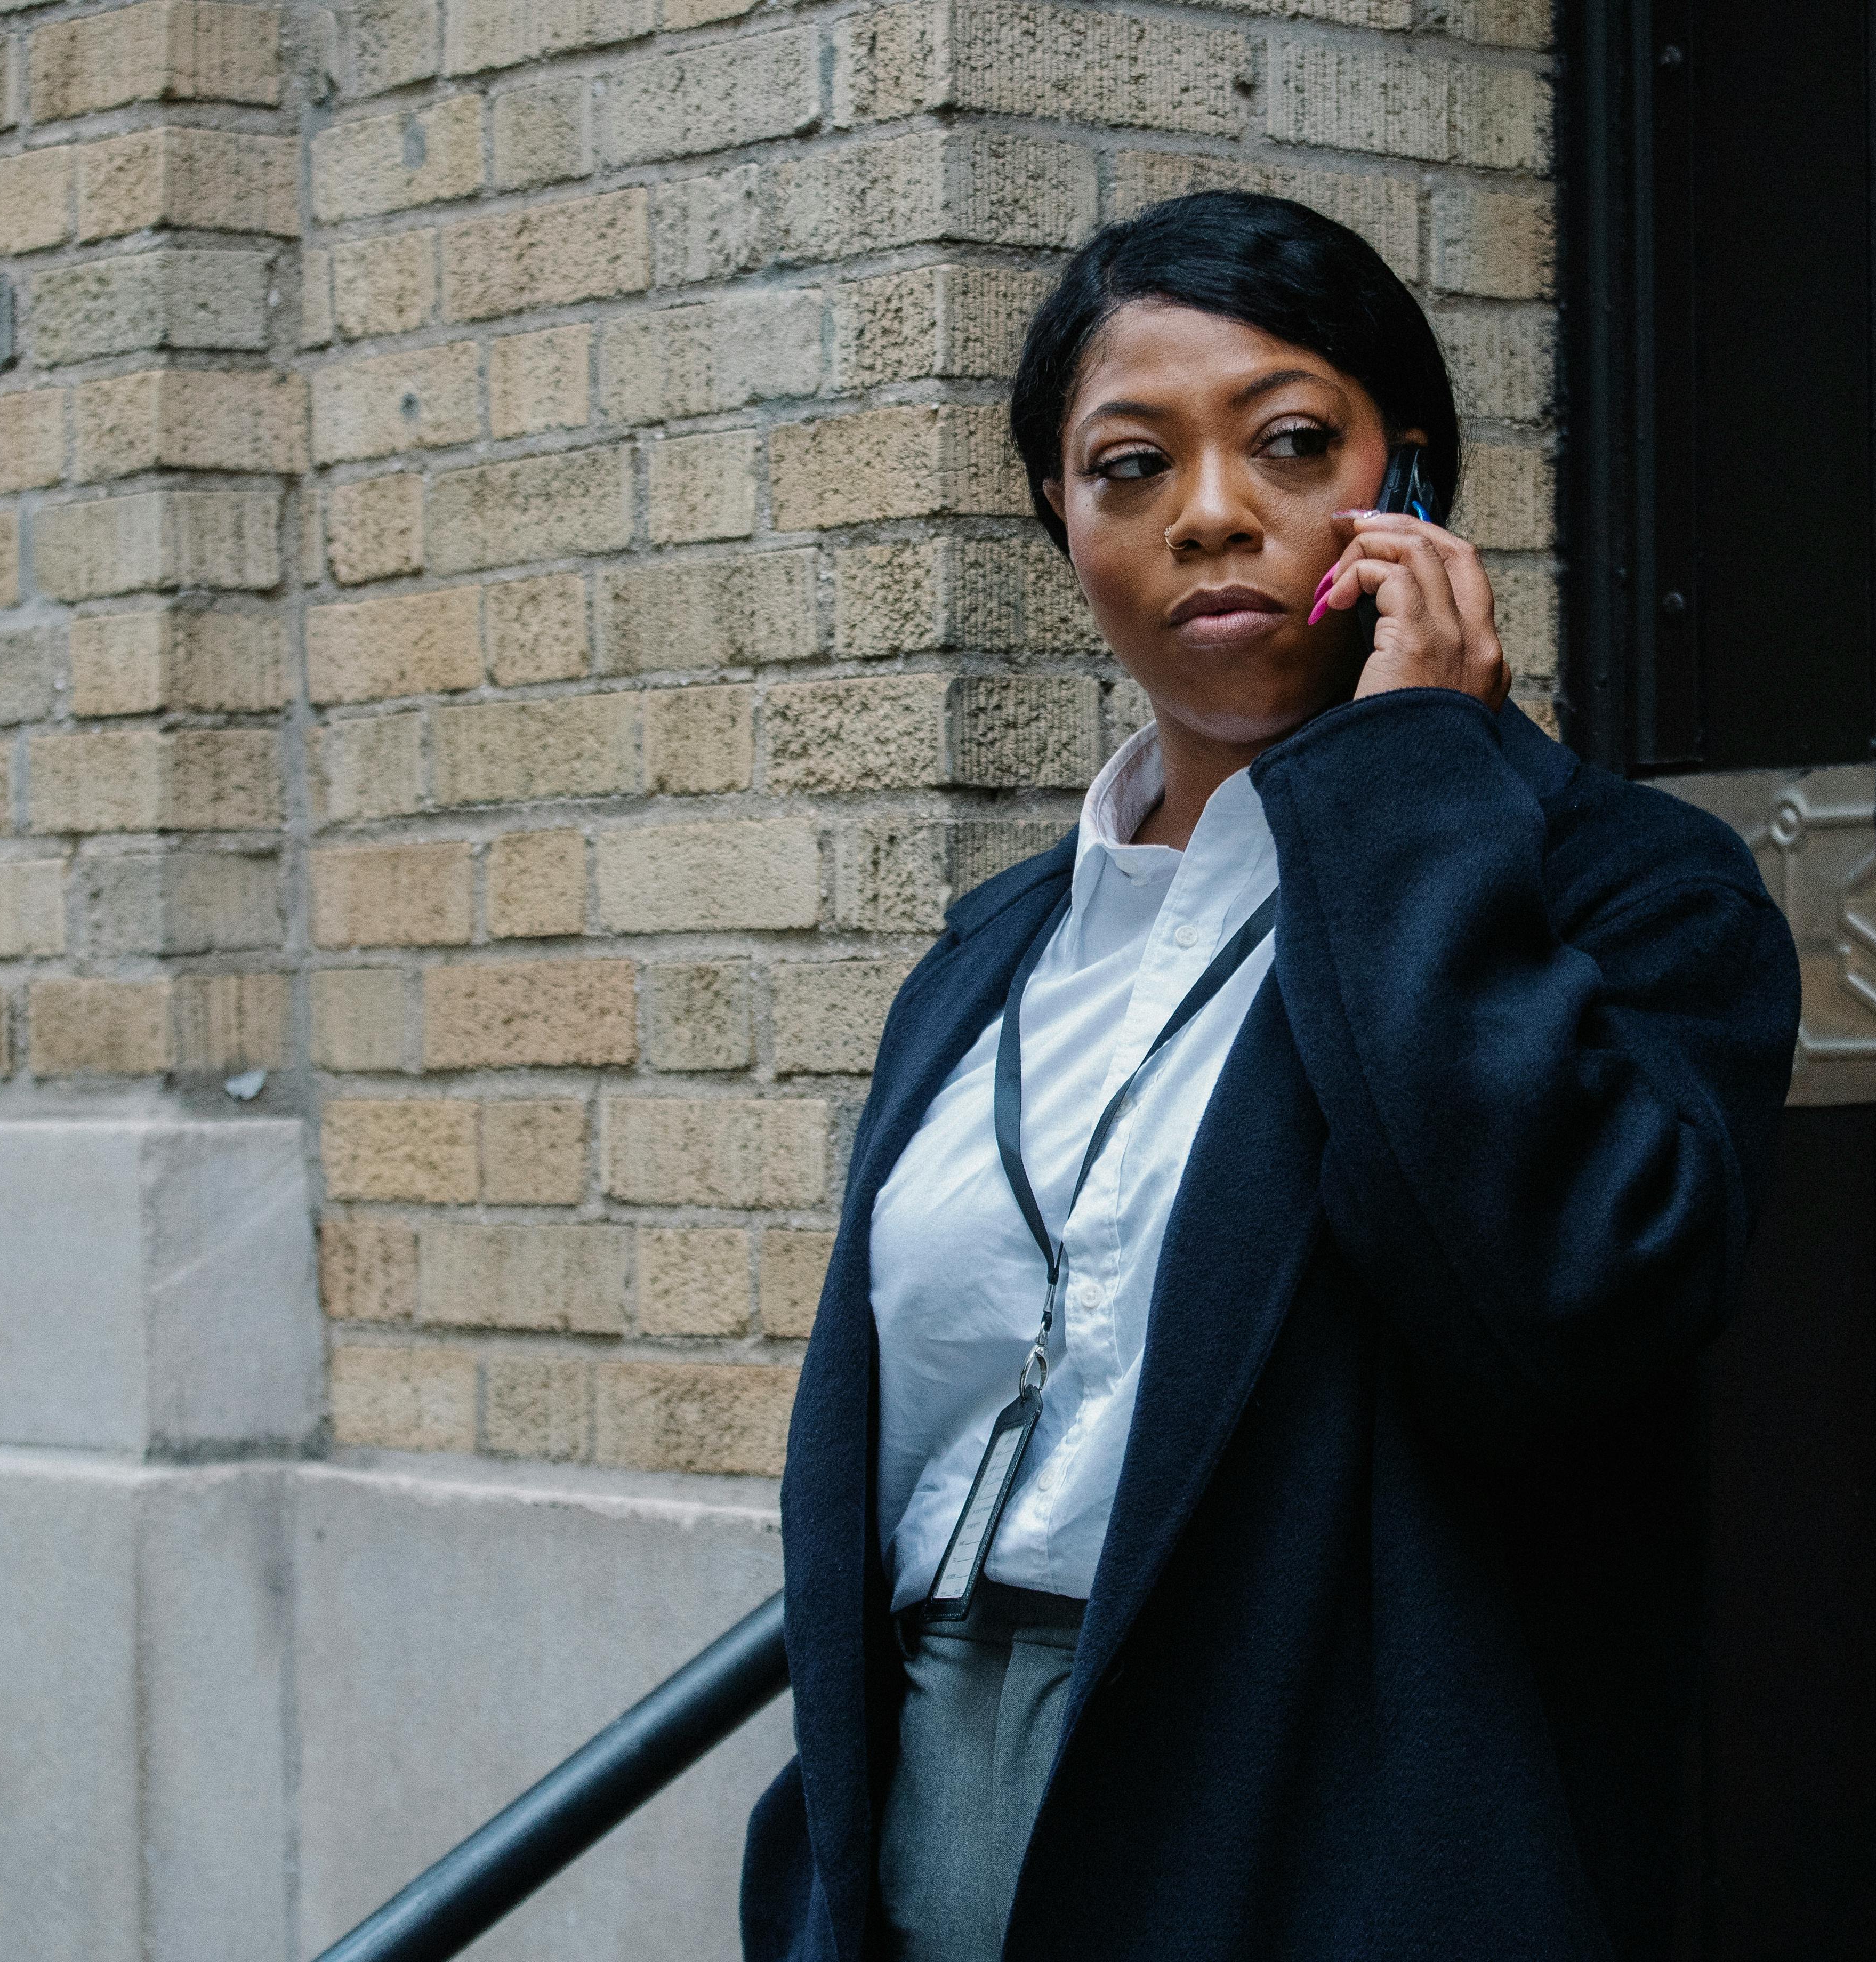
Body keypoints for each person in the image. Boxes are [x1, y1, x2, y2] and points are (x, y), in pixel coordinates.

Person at [740, 190, 1801, 1962]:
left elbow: (1557, 1308)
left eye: (1292, 444)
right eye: (1127, 468)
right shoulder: (993, 951)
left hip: (1319, 1815)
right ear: (1062, 526)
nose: (1211, 515)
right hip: (937, 1784)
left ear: (1415, 487)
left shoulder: (1622, 889)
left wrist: (1413, 785)